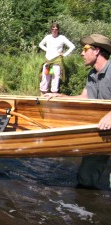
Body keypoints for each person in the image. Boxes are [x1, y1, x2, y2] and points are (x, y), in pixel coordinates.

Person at [44, 34, 111, 190]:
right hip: (102, 131)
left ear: (97, 51)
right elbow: (83, 97)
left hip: (108, 123)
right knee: (85, 179)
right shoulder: (91, 74)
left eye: (85, 49)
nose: (81, 53)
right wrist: (61, 96)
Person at [39, 23, 75, 96]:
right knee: (44, 79)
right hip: (48, 60)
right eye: (53, 29)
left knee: (55, 80)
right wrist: (47, 50)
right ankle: (42, 99)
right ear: (51, 29)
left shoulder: (62, 38)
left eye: (56, 29)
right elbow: (40, 44)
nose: (54, 30)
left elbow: (72, 46)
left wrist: (64, 54)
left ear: (58, 30)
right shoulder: (47, 37)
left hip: (57, 61)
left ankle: (54, 100)